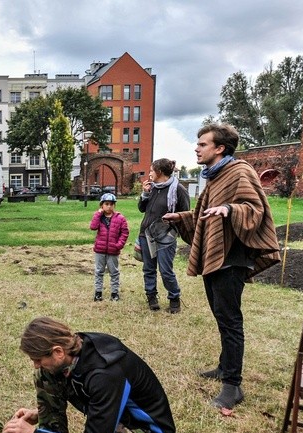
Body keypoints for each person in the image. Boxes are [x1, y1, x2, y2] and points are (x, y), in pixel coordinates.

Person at [163, 123, 280, 410]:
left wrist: (229, 209)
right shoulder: (215, 176)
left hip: (232, 257)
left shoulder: (239, 172)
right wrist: (183, 218)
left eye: (202, 144)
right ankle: (223, 367)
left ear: (220, 148)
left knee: (230, 320)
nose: (197, 148)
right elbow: (205, 213)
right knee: (220, 314)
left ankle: (233, 385)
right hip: (217, 258)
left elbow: (255, 209)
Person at [2, 317, 176, 433]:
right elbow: (87, 392)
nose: (35, 364)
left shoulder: (105, 374)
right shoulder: (76, 350)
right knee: (44, 375)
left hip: (147, 430)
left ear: (58, 351)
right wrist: (42, 413)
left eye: (38, 359)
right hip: (116, 415)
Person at [138, 158, 190, 313]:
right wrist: (145, 194)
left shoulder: (178, 189)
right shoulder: (152, 187)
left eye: (151, 171)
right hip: (146, 234)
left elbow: (186, 213)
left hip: (166, 236)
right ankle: (151, 297)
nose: (149, 174)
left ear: (159, 172)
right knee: (148, 269)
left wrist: (175, 219)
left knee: (166, 270)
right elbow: (142, 209)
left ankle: (174, 298)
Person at [89, 193, 129, 302]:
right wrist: (98, 214)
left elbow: (124, 233)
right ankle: (98, 293)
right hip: (100, 250)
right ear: (101, 205)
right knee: (99, 271)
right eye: (106, 204)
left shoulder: (120, 218)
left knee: (114, 272)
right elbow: (93, 227)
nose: (109, 206)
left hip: (113, 250)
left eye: (111, 204)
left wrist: (119, 245)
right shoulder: (98, 217)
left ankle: (114, 293)